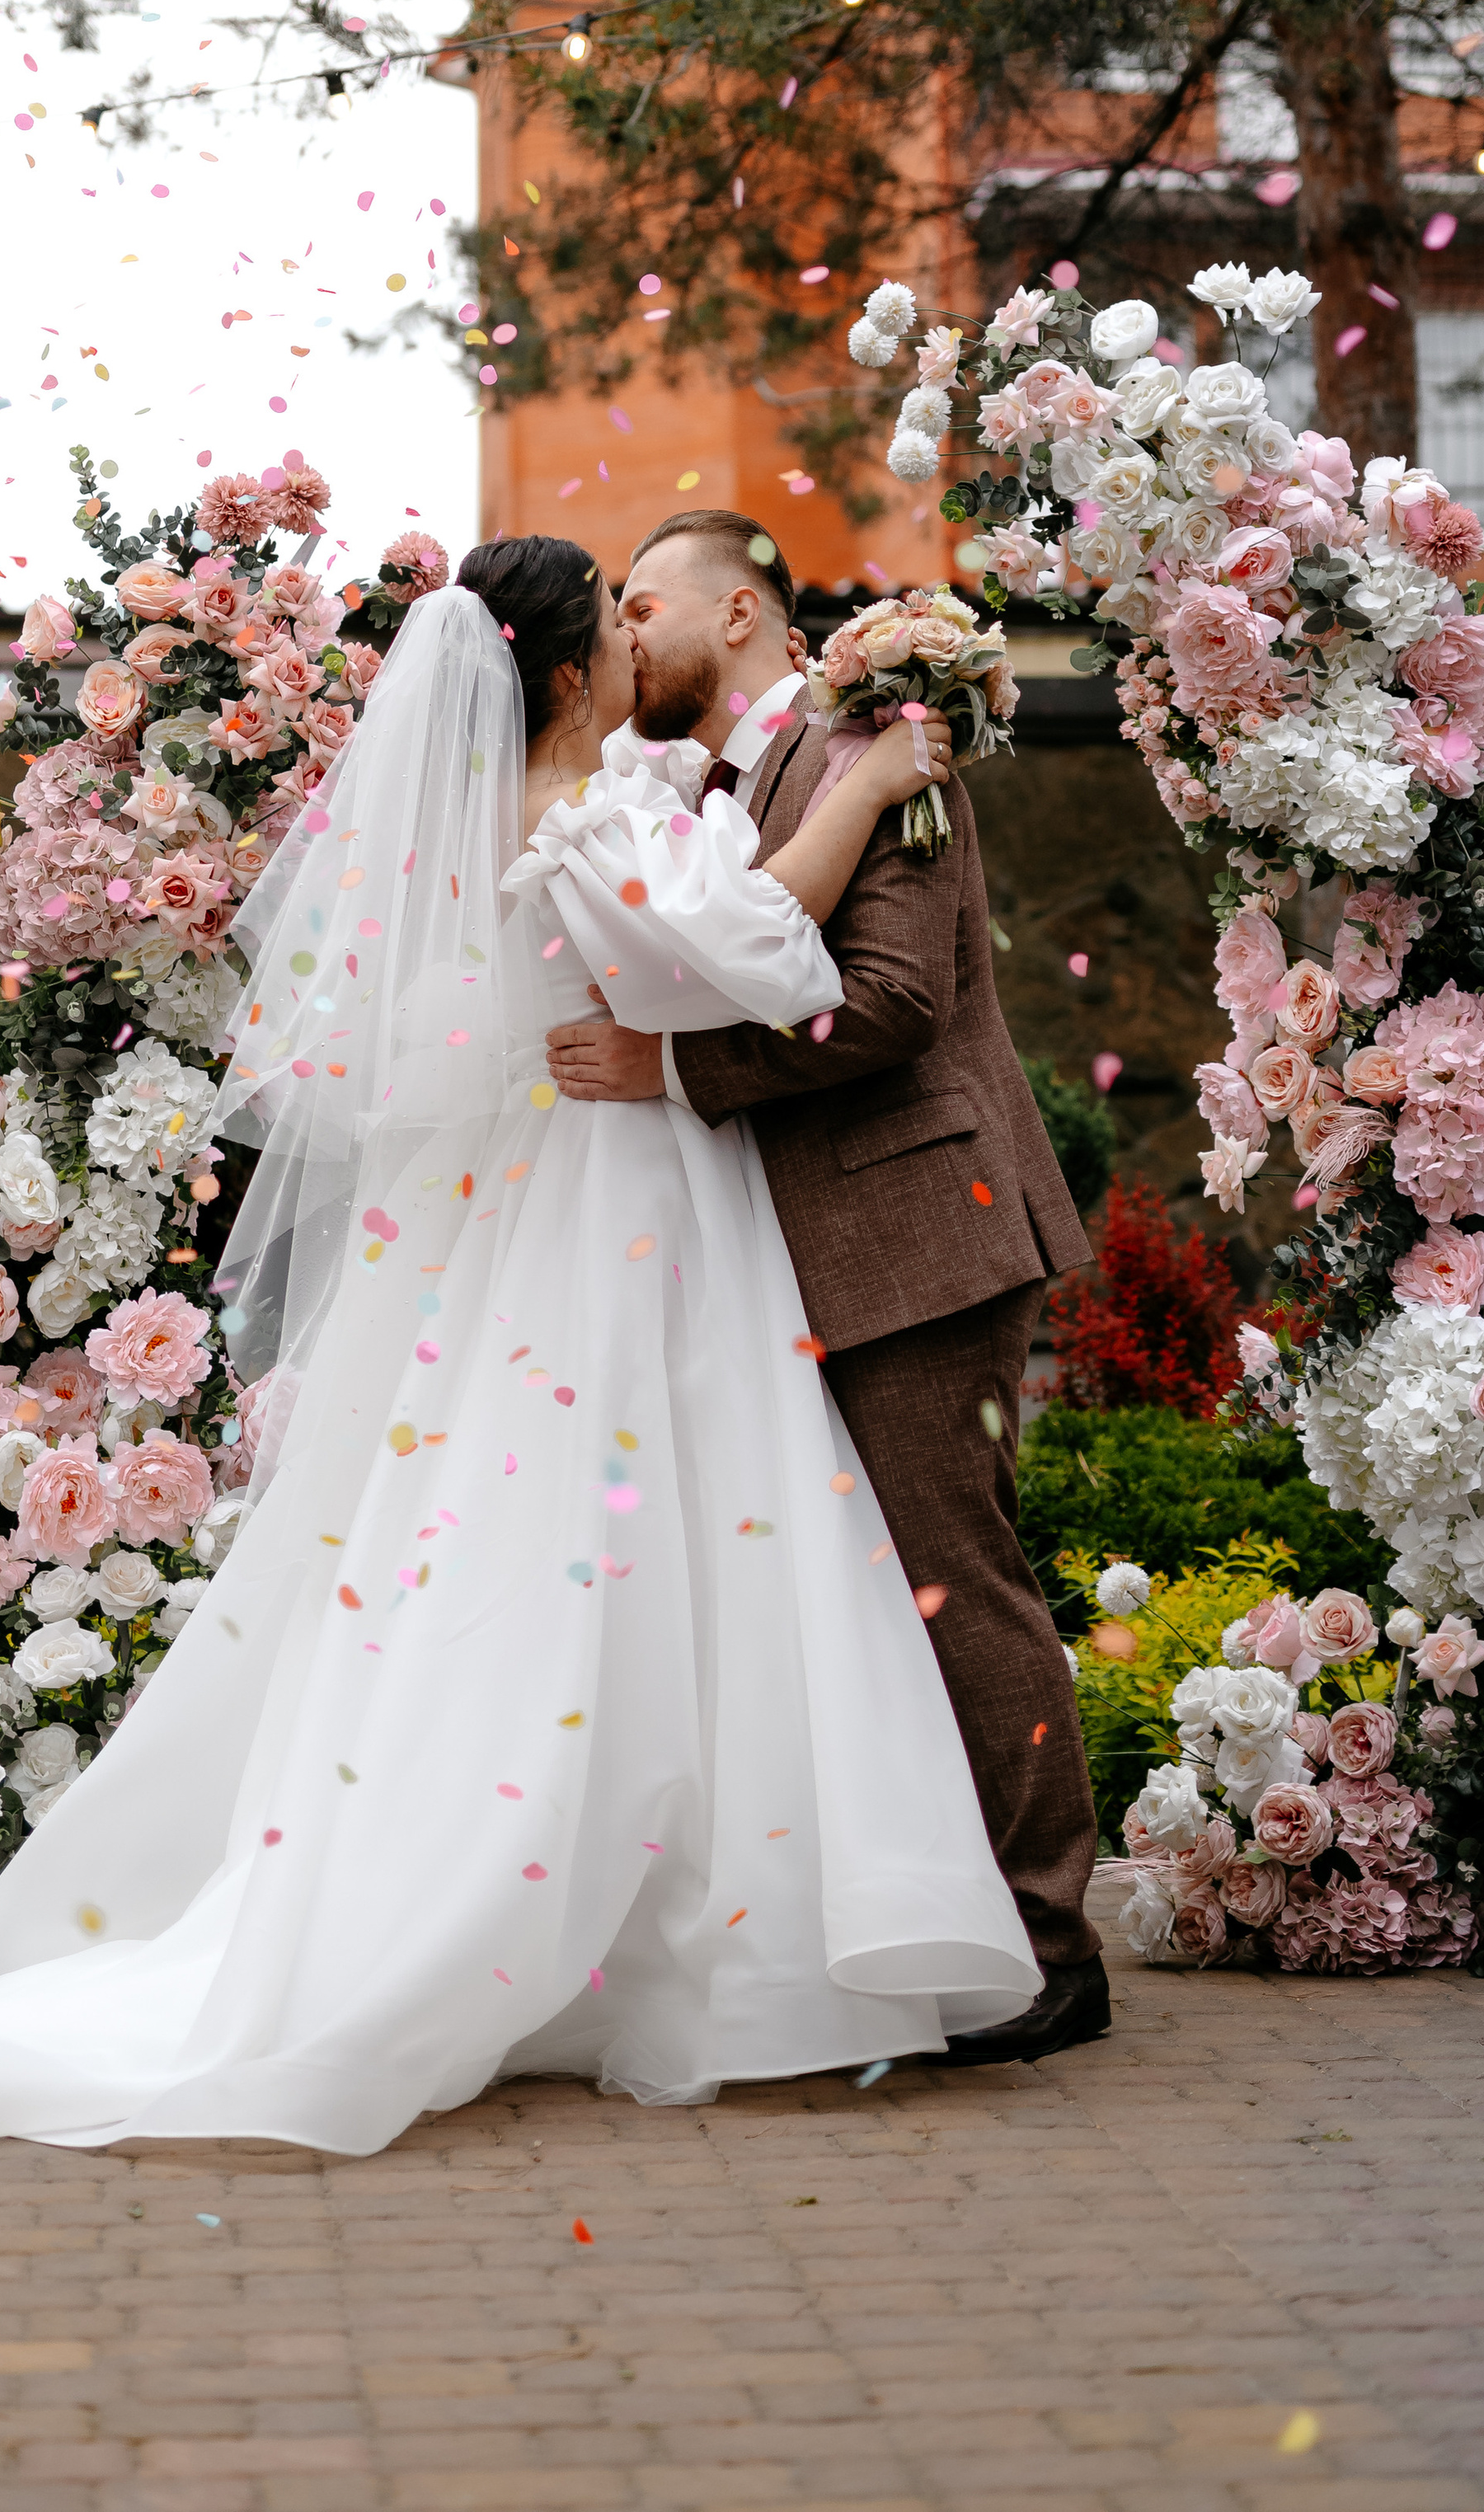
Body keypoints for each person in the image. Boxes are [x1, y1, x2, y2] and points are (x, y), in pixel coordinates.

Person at [0, 544, 1040, 2157]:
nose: (636, 643)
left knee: (603, 1561)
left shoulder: (528, 815)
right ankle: (673, 1930)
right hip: (626, 1222)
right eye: (614, 621)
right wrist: (873, 784)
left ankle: (632, 1916)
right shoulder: (585, 817)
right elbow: (770, 952)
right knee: (668, 1553)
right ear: (568, 676)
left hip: (566, 1213)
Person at [548, 509, 1108, 2064]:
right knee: (879, 1603)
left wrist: (673, 1072)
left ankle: (1054, 1947)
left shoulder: (880, 745)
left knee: (955, 1580)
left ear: (740, 613)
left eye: (643, 601)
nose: (625, 631)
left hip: (918, 1228)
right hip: (808, 1253)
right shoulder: (729, 786)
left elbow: (896, 1001)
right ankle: (946, 1925)